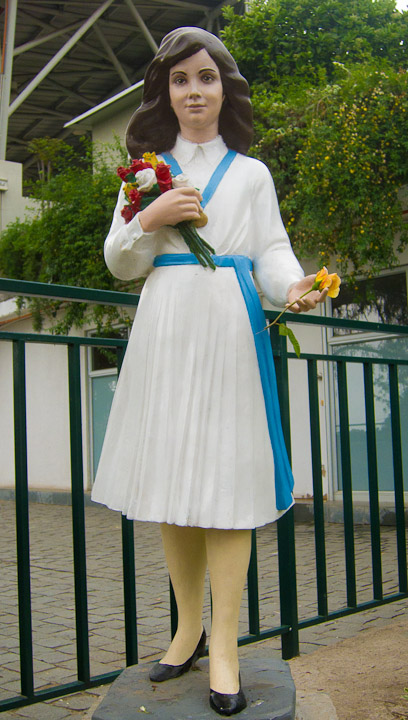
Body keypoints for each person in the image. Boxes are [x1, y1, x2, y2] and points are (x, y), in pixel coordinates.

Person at [91, 26, 327, 716]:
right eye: (180, 80)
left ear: (227, 88)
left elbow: (273, 251)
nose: (194, 91)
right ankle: (185, 630)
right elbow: (119, 259)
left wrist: (294, 287)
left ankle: (224, 643)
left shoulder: (252, 175)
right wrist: (150, 217)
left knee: (224, 485)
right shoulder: (145, 170)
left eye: (207, 78)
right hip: (166, 330)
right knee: (172, 483)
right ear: (165, 92)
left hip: (228, 332)